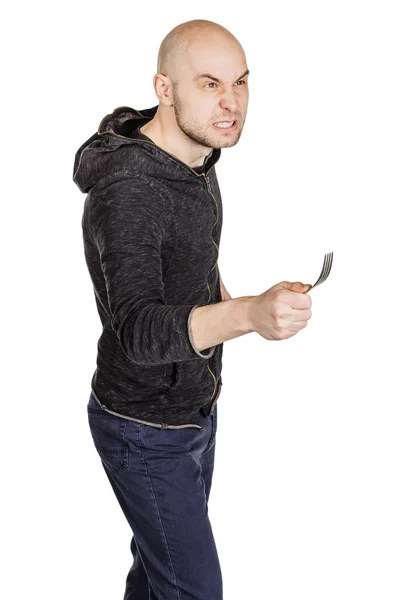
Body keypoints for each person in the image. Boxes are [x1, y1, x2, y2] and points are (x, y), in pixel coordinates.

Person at [73, 18, 312, 600]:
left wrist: (231, 296)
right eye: (209, 85)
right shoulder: (130, 188)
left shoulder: (198, 156)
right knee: (194, 590)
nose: (231, 104)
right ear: (164, 88)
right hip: (144, 426)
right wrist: (247, 316)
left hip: (195, 408)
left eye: (241, 83)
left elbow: (189, 255)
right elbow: (139, 329)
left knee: (160, 578)